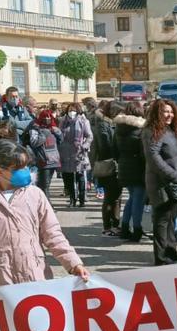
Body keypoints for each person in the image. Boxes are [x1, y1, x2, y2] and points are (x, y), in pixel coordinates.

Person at [0, 140, 89, 288]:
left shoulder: (35, 195)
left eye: (26, 166)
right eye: (18, 168)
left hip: (35, 279)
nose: (25, 171)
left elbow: (53, 235)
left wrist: (74, 264)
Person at [144, 99, 177, 265]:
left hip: (175, 183)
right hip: (161, 183)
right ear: (157, 113)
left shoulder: (171, 130)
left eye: (171, 112)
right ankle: (161, 257)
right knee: (161, 221)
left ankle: (172, 252)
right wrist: (172, 174)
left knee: (171, 218)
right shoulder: (151, 131)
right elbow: (153, 157)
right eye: (165, 112)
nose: (169, 115)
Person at [112, 104, 147, 242]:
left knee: (132, 198)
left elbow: (114, 150)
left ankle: (125, 227)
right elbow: (143, 153)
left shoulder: (119, 128)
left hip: (124, 166)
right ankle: (137, 229)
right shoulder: (141, 130)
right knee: (138, 200)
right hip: (138, 168)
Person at [92, 101, 123, 236]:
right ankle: (107, 226)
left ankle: (115, 224)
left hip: (114, 163)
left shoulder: (111, 124)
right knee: (110, 197)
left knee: (117, 197)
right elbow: (106, 146)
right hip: (107, 164)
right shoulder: (103, 125)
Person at [58, 103, 93, 207]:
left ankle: (82, 199)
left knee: (80, 176)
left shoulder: (83, 121)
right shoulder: (62, 121)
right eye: (69, 110)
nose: (71, 112)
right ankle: (72, 199)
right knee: (68, 177)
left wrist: (85, 145)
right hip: (65, 152)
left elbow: (89, 136)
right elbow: (59, 134)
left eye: (73, 110)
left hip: (79, 152)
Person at [23, 109, 63, 195]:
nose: (47, 120)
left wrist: (57, 132)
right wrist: (44, 133)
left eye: (49, 118)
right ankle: (47, 206)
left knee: (46, 185)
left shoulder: (54, 128)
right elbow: (34, 143)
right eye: (45, 118)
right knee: (43, 185)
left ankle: (46, 205)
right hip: (43, 160)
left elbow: (61, 140)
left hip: (54, 160)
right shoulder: (35, 129)